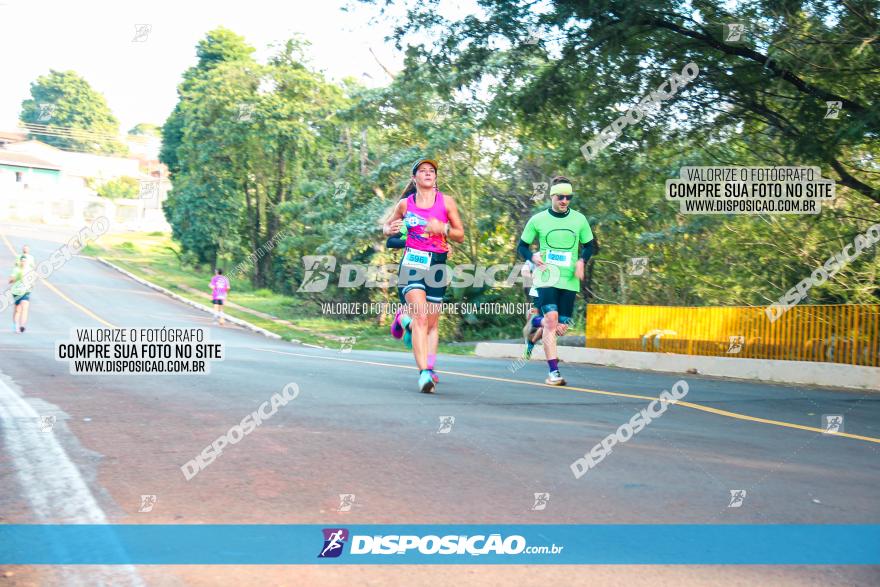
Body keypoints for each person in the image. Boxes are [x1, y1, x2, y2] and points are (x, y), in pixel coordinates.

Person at [382, 158, 464, 393]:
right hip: (413, 263)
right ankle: (424, 373)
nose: (428, 174)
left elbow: (460, 235)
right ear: (414, 178)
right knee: (420, 317)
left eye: (432, 171)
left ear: (435, 177)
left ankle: (430, 365)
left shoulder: (447, 202)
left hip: (438, 264)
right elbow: (387, 228)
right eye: (423, 171)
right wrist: (389, 229)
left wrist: (444, 229)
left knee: (431, 322)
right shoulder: (405, 205)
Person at [517, 176, 596, 385]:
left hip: (569, 280)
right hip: (546, 277)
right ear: (552, 196)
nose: (564, 200)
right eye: (560, 196)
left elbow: (590, 245)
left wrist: (582, 260)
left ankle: (534, 323)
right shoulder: (538, 220)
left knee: (561, 326)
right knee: (552, 321)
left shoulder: (579, 219)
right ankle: (554, 373)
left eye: (568, 197)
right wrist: (531, 256)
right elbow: (521, 246)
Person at [9, 256, 33, 333]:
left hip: (26, 291)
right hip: (16, 292)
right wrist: (17, 278)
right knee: (17, 310)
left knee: (25, 307)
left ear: (27, 262)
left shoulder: (29, 270)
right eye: (22, 261)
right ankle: (15, 326)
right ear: (20, 262)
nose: (23, 262)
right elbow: (10, 280)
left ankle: (22, 326)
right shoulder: (16, 269)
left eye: (25, 261)